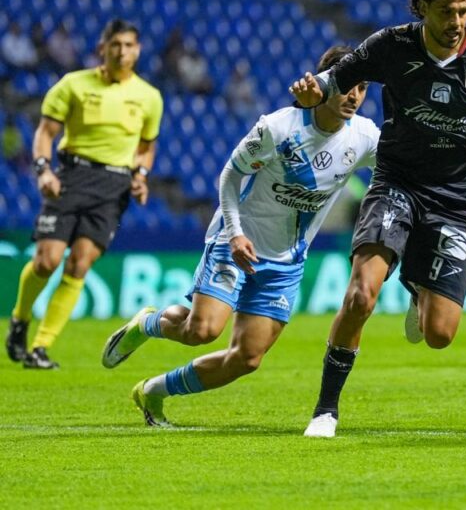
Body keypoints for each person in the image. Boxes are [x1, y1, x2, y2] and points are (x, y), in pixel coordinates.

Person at [290, 0, 466, 439]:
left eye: (465, 11)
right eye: (447, 11)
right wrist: (312, 90)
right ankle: (325, 410)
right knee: (360, 295)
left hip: (456, 197)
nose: (457, 22)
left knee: (440, 334)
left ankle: (417, 284)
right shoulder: (390, 45)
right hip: (396, 183)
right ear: (422, 6)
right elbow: (338, 74)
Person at [101, 45, 378, 427]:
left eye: (363, 87)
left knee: (246, 360)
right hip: (237, 241)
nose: (354, 96)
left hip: (285, 260)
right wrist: (233, 233)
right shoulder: (279, 127)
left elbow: (399, 172)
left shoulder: (365, 137)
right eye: (348, 85)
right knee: (202, 331)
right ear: (325, 83)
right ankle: (148, 323)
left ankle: (152, 391)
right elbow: (230, 175)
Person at [5, 19, 162, 369]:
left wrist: (141, 175)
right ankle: (19, 319)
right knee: (46, 261)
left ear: (138, 51)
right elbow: (45, 132)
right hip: (72, 176)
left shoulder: (149, 97)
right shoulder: (73, 85)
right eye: (116, 45)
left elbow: (147, 146)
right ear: (102, 47)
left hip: (114, 186)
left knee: (79, 264)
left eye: (129, 45)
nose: (122, 51)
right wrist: (43, 170)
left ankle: (42, 347)